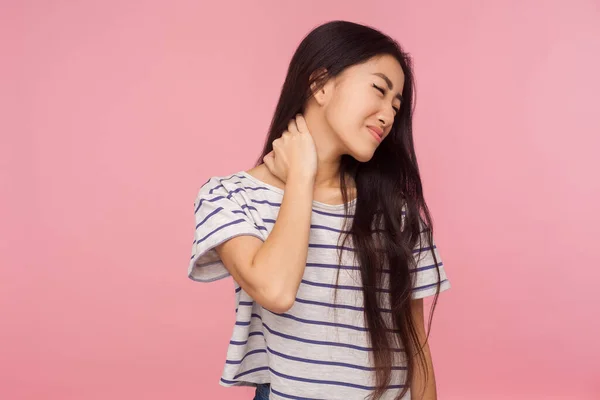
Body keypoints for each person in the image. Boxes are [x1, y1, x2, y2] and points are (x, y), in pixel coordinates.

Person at [188, 20, 451, 400]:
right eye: (378, 89)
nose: (388, 115)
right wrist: (302, 177)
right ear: (320, 84)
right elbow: (276, 291)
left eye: (396, 106)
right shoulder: (229, 197)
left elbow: (417, 350)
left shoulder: (397, 212)